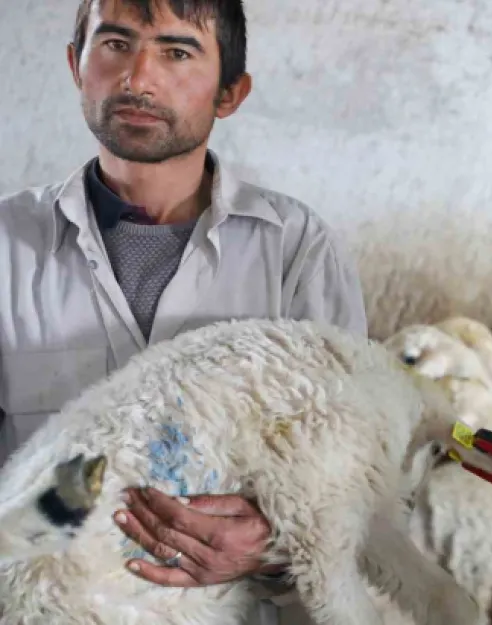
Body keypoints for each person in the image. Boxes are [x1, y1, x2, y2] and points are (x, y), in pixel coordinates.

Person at [0, 0, 366, 623]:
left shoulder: (294, 247)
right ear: (75, 64)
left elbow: (361, 470)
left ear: (230, 93)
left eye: (176, 52)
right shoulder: (7, 246)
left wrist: (272, 542)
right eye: (115, 45)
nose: (138, 79)